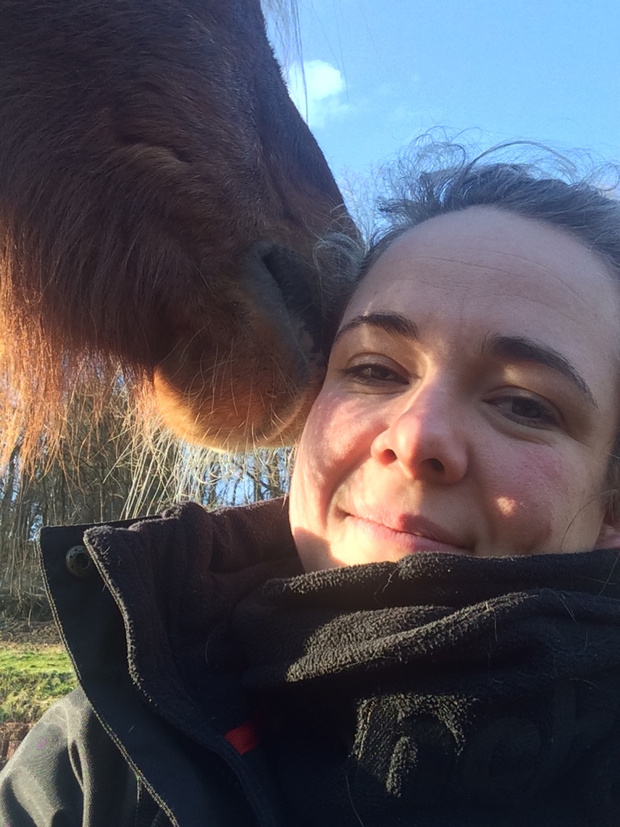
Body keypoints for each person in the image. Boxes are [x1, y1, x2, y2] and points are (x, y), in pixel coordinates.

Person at [3, 144, 620, 826]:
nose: (416, 437)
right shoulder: (97, 758)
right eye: (375, 369)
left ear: (612, 505)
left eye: (525, 405)